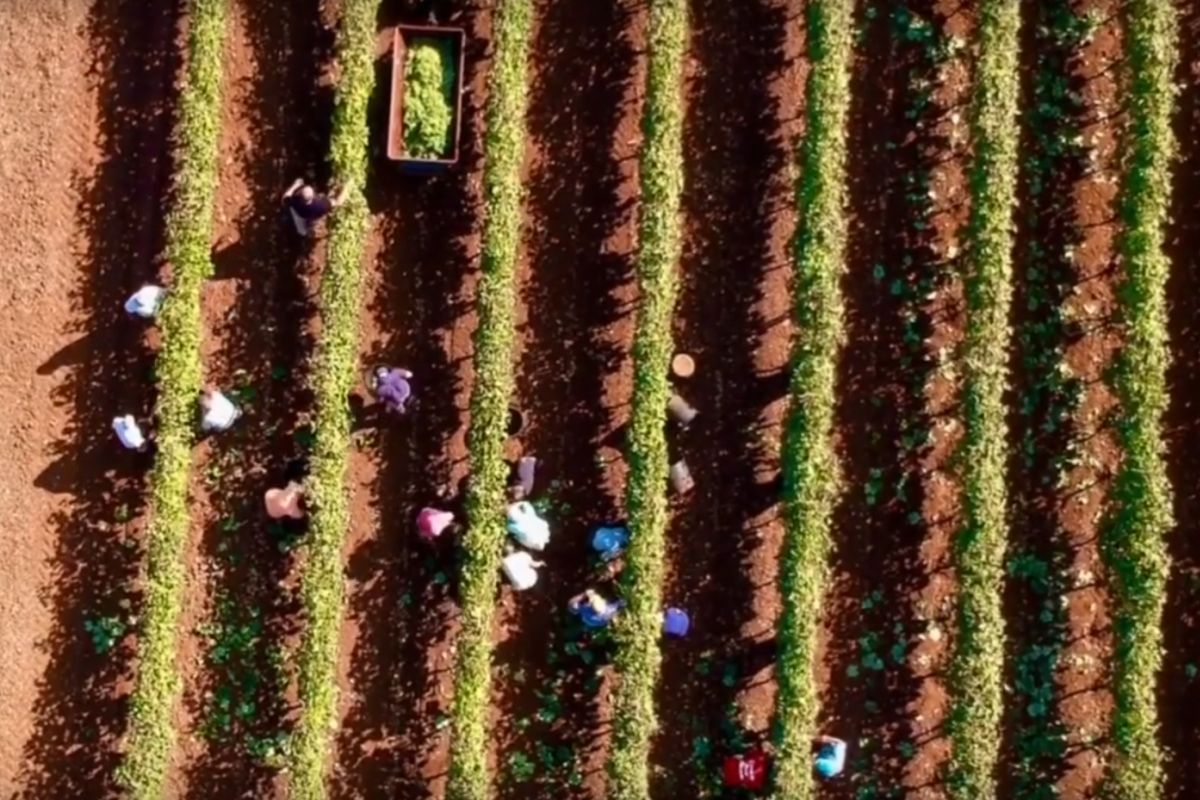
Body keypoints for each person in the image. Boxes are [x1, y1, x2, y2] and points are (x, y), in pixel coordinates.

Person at [282, 178, 349, 236]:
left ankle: (288, 218)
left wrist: (295, 185)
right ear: (313, 195)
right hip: (309, 215)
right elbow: (338, 202)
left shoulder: (295, 200)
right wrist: (347, 186)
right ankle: (310, 227)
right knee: (303, 232)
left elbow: (285, 198)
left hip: (298, 214)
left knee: (302, 231)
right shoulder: (320, 205)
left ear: (300, 194)